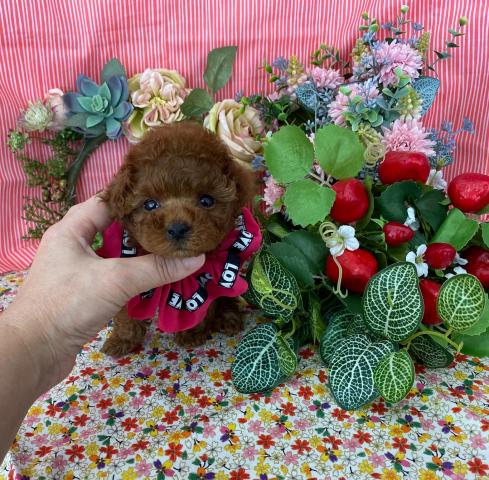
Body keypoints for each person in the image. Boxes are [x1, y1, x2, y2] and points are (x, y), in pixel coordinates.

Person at [0, 196, 205, 461]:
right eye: (150, 205)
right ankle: (129, 333)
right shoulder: (118, 250)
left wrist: (39, 337)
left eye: (205, 201)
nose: (177, 221)